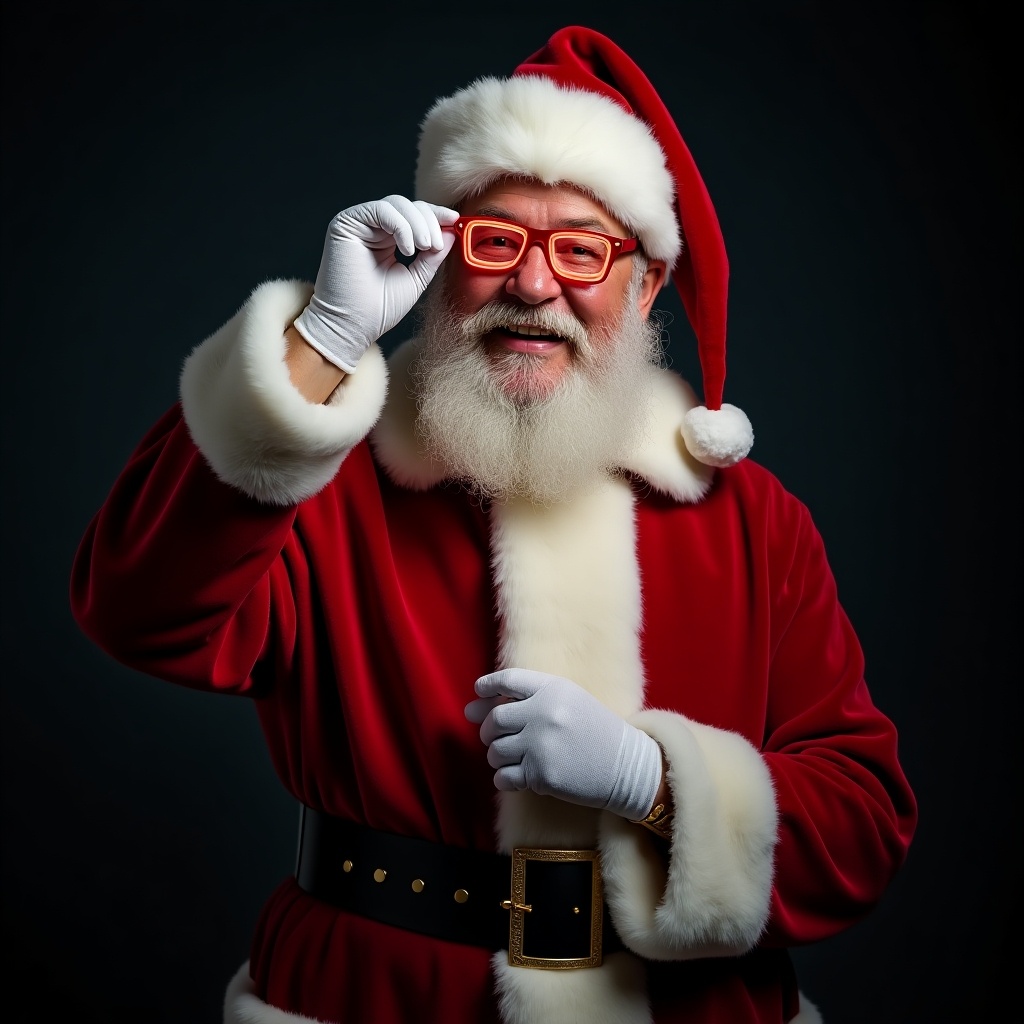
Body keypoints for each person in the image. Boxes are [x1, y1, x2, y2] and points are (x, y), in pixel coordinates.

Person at [69, 24, 917, 1024]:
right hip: (377, 996)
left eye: (582, 251)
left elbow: (862, 828)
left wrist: (654, 781)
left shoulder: (754, 520)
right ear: (442, 257)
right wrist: (323, 341)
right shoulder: (333, 480)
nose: (532, 284)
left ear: (645, 283)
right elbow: (138, 611)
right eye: (496, 238)